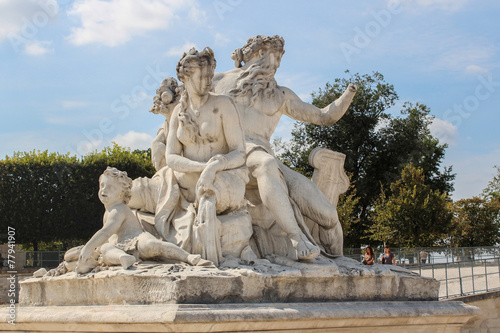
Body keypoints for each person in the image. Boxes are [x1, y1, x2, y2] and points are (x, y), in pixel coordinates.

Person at [212, 35, 357, 259]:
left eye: (280, 59)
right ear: (258, 54)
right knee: (266, 163)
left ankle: (340, 264)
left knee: (328, 215)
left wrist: (349, 94)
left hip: (266, 160)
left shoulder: (280, 95)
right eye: (274, 58)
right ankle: (296, 239)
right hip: (235, 155)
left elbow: (324, 117)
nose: (277, 65)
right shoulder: (217, 82)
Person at [165, 47, 251, 265]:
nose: (208, 81)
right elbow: (171, 157)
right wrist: (202, 168)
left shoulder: (223, 104)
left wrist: (215, 167)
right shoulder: (178, 111)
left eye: (210, 76)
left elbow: (240, 153)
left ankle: (210, 260)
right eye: (202, 77)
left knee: (208, 195)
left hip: (224, 178)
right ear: (185, 77)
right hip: (188, 181)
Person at [76, 167, 210, 274]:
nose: (103, 190)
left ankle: (187, 257)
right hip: (120, 245)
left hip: (137, 239)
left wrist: (88, 247)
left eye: (110, 187)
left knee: (155, 245)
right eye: (102, 185)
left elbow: (106, 232)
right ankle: (123, 258)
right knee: (106, 248)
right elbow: (107, 238)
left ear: (122, 193)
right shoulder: (109, 211)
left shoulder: (119, 209)